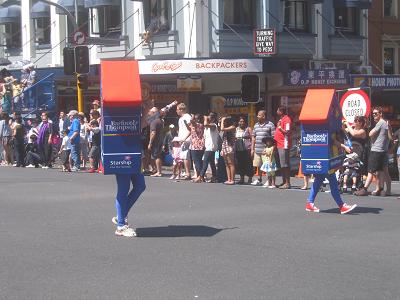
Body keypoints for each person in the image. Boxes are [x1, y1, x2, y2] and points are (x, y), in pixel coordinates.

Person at [355, 107, 390, 196]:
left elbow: (370, 134)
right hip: (383, 150)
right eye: (373, 113)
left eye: (376, 113)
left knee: (371, 171)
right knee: (380, 171)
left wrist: (370, 130)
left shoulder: (380, 123)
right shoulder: (385, 123)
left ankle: (365, 189)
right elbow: (389, 137)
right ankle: (381, 189)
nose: (374, 115)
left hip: (376, 150)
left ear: (380, 114)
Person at [251, 110, 275, 185]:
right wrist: (252, 149)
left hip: (266, 150)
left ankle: (269, 180)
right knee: (258, 165)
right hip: (257, 149)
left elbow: (273, 137)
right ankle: (259, 179)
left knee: (267, 165)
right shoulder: (256, 125)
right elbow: (253, 137)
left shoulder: (270, 125)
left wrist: (271, 149)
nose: (257, 116)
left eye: (259, 115)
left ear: (263, 116)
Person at [194, 112, 219, 183]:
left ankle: (200, 177)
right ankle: (214, 177)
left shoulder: (214, 125)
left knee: (205, 161)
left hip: (211, 147)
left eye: (210, 116)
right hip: (208, 146)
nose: (209, 117)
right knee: (212, 163)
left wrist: (205, 118)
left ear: (213, 118)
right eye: (209, 116)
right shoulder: (207, 127)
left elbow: (205, 124)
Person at [274, 106, 292, 189]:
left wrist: (280, 127)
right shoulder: (281, 119)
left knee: (285, 164)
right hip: (278, 144)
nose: (277, 111)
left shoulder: (287, 119)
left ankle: (287, 183)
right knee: (282, 165)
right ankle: (284, 181)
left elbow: (287, 132)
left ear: (281, 111)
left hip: (284, 144)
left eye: (277, 110)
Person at [182, 114, 204, 180]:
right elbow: (190, 129)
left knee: (197, 161)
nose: (194, 119)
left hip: (197, 145)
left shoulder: (199, 125)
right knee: (197, 161)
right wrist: (186, 123)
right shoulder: (196, 125)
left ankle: (200, 176)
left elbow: (192, 121)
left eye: (196, 118)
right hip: (194, 145)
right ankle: (199, 176)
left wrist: (193, 116)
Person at [235, 116, 253, 184]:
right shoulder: (236, 129)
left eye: (243, 121)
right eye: (240, 121)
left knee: (248, 163)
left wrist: (252, 148)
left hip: (247, 148)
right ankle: (241, 178)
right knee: (240, 164)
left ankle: (250, 178)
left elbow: (252, 138)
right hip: (238, 148)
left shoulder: (248, 129)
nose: (241, 123)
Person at [176, 103, 192, 180]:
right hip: (182, 139)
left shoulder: (187, 117)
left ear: (181, 110)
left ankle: (188, 173)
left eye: (177, 109)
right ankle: (186, 172)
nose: (176, 111)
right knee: (183, 157)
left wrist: (184, 139)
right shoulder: (181, 118)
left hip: (186, 140)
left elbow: (191, 129)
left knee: (186, 157)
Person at [148, 107, 164, 177]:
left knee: (156, 156)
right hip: (160, 140)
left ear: (154, 113)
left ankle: (159, 172)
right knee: (157, 155)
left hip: (156, 141)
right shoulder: (160, 121)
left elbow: (153, 133)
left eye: (150, 112)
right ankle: (158, 170)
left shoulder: (154, 122)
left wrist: (150, 143)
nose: (149, 113)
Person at [220, 116, 236, 185]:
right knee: (226, 164)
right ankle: (229, 179)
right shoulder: (225, 128)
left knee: (231, 163)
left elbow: (222, 128)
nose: (223, 123)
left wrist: (223, 120)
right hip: (224, 146)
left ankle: (232, 179)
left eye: (225, 121)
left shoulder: (232, 127)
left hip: (230, 146)